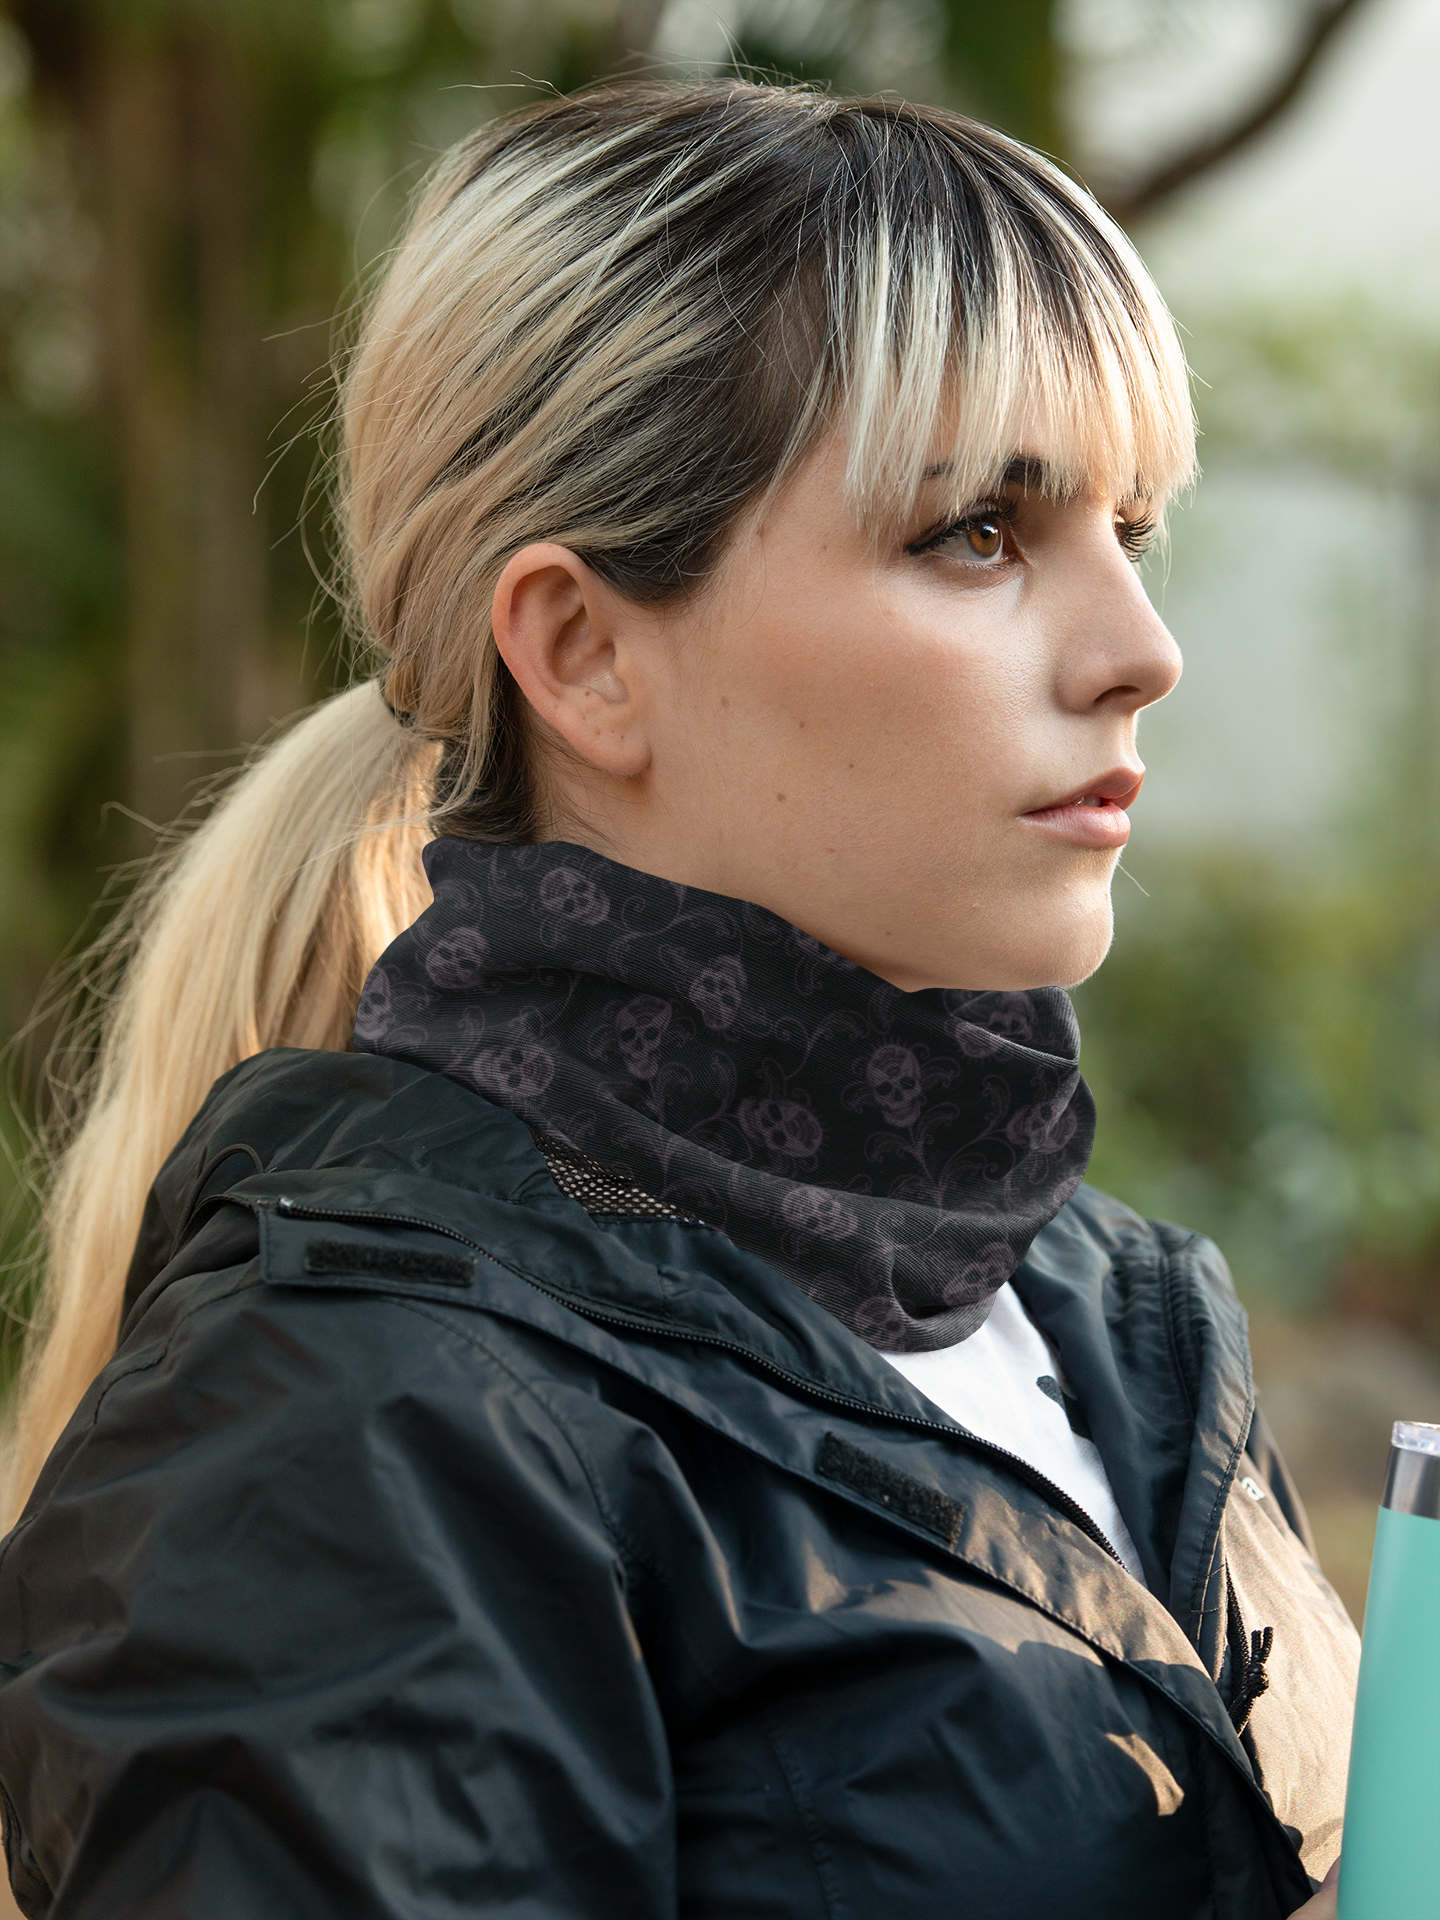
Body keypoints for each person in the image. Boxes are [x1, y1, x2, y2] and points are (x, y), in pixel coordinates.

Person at [0, 83, 1355, 1919]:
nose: (1141, 650)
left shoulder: (1110, 1314)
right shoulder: (352, 1417)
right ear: (583, 653)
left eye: (1132, 525)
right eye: (977, 533)